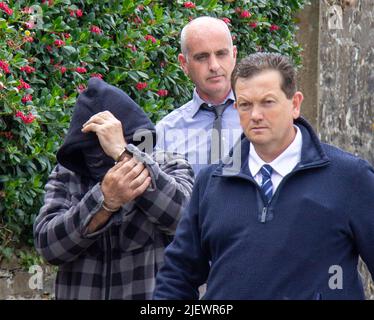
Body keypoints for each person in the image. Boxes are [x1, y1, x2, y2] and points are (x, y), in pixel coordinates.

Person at [153, 52, 374, 300]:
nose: (255, 115)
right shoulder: (211, 182)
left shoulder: (350, 178)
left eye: (267, 102)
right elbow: (177, 276)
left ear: (295, 104)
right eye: (246, 105)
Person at [34, 78, 194, 299]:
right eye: (94, 152)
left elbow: (183, 219)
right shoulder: (68, 175)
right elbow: (48, 247)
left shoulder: (169, 165)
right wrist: (104, 201)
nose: (102, 159)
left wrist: (123, 155)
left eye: (108, 147)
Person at [156, 16, 242, 176]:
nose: (214, 66)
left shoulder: (263, 119)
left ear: (234, 55)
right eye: (202, 57)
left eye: (221, 54)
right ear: (184, 64)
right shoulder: (165, 134)